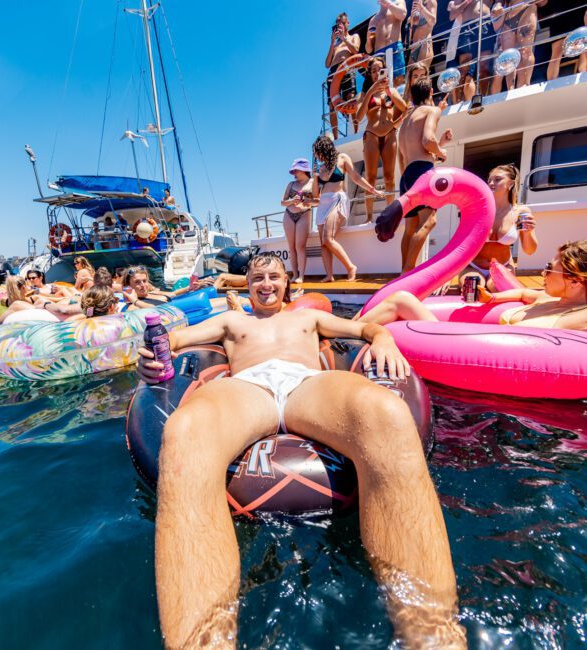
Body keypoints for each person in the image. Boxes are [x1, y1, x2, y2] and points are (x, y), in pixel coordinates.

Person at [137, 253, 466, 648]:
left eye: (273, 276)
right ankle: (203, 643)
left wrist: (385, 339)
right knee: (184, 432)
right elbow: (176, 340)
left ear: (286, 282)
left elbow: (363, 328)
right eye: (257, 277)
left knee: (387, 415)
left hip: (307, 385)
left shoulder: (306, 318)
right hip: (248, 388)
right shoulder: (232, 321)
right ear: (247, 283)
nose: (265, 283)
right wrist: (153, 356)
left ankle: (431, 635)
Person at [358, 240, 587, 331]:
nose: (542, 272)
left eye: (549, 267)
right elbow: (524, 292)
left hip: (486, 357)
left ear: (575, 280)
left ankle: (333, 335)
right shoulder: (547, 299)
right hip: (474, 342)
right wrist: (492, 299)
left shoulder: (578, 317)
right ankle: (340, 330)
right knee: (398, 302)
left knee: (401, 300)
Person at [396, 78, 453, 272]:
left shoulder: (406, 120)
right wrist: (441, 152)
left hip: (407, 176)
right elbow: (428, 141)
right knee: (430, 220)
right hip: (421, 172)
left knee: (410, 227)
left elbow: (411, 153)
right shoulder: (431, 110)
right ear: (430, 93)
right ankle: (408, 270)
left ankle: (403, 272)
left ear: (411, 96)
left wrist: (440, 144)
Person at [312, 135, 385, 282]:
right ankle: (329, 275)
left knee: (328, 239)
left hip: (337, 200)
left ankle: (351, 267)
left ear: (324, 149)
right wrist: (315, 177)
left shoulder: (342, 158)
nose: (318, 157)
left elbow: (356, 178)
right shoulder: (321, 168)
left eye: (318, 153)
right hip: (322, 204)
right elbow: (315, 195)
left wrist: (373, 190)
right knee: (323, 244)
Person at [459, 164, 538, 289]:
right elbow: (459, 244)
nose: (491, 183)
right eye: (489, 180)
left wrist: (528, 232)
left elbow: (529, 251)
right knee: (472, 288)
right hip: (473, 266)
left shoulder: (520, 212)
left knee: (497, 287)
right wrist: (446, 276)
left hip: (503, 266)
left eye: (497, 179)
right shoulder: (475, 210)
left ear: (511, 184)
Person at [356, 58, 407, 222]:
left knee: (389, 177)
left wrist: (389, 91)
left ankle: (389, 213)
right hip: (371, 135)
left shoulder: (392, 90)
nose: (377, 73)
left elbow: (404, 108)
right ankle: (369, 217)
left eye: (380, 70)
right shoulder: (364, 95)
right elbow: (358, 117)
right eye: (373, 71)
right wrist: (370, 92)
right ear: (370, 75)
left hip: (390, 133)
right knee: (370, 177)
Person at [447, 0, 496, 100]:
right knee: (464, 67)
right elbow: (452, 15)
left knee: (484, 66)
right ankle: (461, 101)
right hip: (466, 27)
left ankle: (485, 98)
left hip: (485, 23)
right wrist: (466, 2)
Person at [325, 12, 361, 139]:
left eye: (342, 23)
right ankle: (335, 137)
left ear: (347, 24)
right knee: (332, 105)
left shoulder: (353, 37)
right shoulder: (335, 45)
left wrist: (344, 38)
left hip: (347, 68)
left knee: (351, 99)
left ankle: (356, 132)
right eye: (337, 24)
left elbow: (356, 50)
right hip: (334, 72)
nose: (339, 26)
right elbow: (327, 64)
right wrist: (332, 43)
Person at [280, 158, 315, 283]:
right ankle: (295, 275)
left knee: (300, 246)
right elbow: (282, 202)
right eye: (293, 171)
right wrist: (292, 201)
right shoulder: (290, 184)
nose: (294, 173)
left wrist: (308, 201)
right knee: (292, 247)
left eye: (296, 170)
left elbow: (318, 200)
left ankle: (301, 276)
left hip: (304, 213)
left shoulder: (313, 182)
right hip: (289, 214)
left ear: (303, 170)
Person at [538, 1, 586, 80]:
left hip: (567, 12)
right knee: (556, 54)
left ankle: (583, 73)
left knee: (583, 47)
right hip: (562, 14)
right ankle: (551, 82)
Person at [367, 0, 408, 85]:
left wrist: (388, 3)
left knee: (399, 81)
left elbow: (403, 15)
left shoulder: (398, 3)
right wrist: (368, 39)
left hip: (395, 48)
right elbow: (368, 49)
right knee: (382, 84)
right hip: (379, 55)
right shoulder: (373, 20)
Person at [408, 0, 438, 71]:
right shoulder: (416, 6)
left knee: (421, 76)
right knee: (410, 77)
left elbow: (433, 21)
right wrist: (411, 19)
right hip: (414, 47)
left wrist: (421, 8)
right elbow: (410, 32)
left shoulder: (431, 2)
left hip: (424, 45)